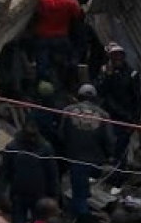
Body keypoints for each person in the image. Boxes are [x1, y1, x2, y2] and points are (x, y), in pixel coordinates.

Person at [59, 85, 114, 218]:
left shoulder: (68, 111)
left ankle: (81, 215)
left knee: (78, 191)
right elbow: (109, 139)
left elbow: (61, 134)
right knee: (83, 190)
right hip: (95, 160)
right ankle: (80, 214)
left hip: (74, 157)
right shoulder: (103, 115)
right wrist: (110, 156)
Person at [0, 119, 58, 223]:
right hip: (18, 193)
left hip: (39, 195)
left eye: (33, 135)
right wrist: (1, 191)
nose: (31, 139)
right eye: (29, 135)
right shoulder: (13, 147)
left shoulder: (45, 148)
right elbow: (4, 171)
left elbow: (52, 174)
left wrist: (53, 196)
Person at [97, 43, 141, 165]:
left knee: (122, 149)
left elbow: (138, 99)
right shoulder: (105, 72)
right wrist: (107, 76)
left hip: (125, 118)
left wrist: (135, 120)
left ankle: (119, 170)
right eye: (113, 56)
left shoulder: (132, 74)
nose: (117, 58)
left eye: (119, 55)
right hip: (109, 116)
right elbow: (101, 92)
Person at [33, 0, 82, 87]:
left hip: (42, 37)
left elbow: (37, 12)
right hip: (60, 38)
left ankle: (40, 86)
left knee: (42, 65)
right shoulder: (70, 3)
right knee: (63, 63)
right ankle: (63, 85)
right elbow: (78, 14)